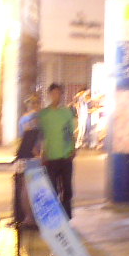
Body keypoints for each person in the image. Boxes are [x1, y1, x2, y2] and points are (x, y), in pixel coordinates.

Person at [36, 83, 77, 219]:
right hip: (51, 157)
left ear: (61, 95)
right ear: (49, 95)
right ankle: (54, 217)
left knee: (67, 188)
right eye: (53, 94)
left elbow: (71, 132)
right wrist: (41, 152)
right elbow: (41, 134)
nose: (56, 96)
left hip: (66, 156)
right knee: (52, 189)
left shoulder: (66, 112)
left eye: (58, 93)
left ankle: (66, 216)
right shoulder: (44, 114)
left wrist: (73, 148)